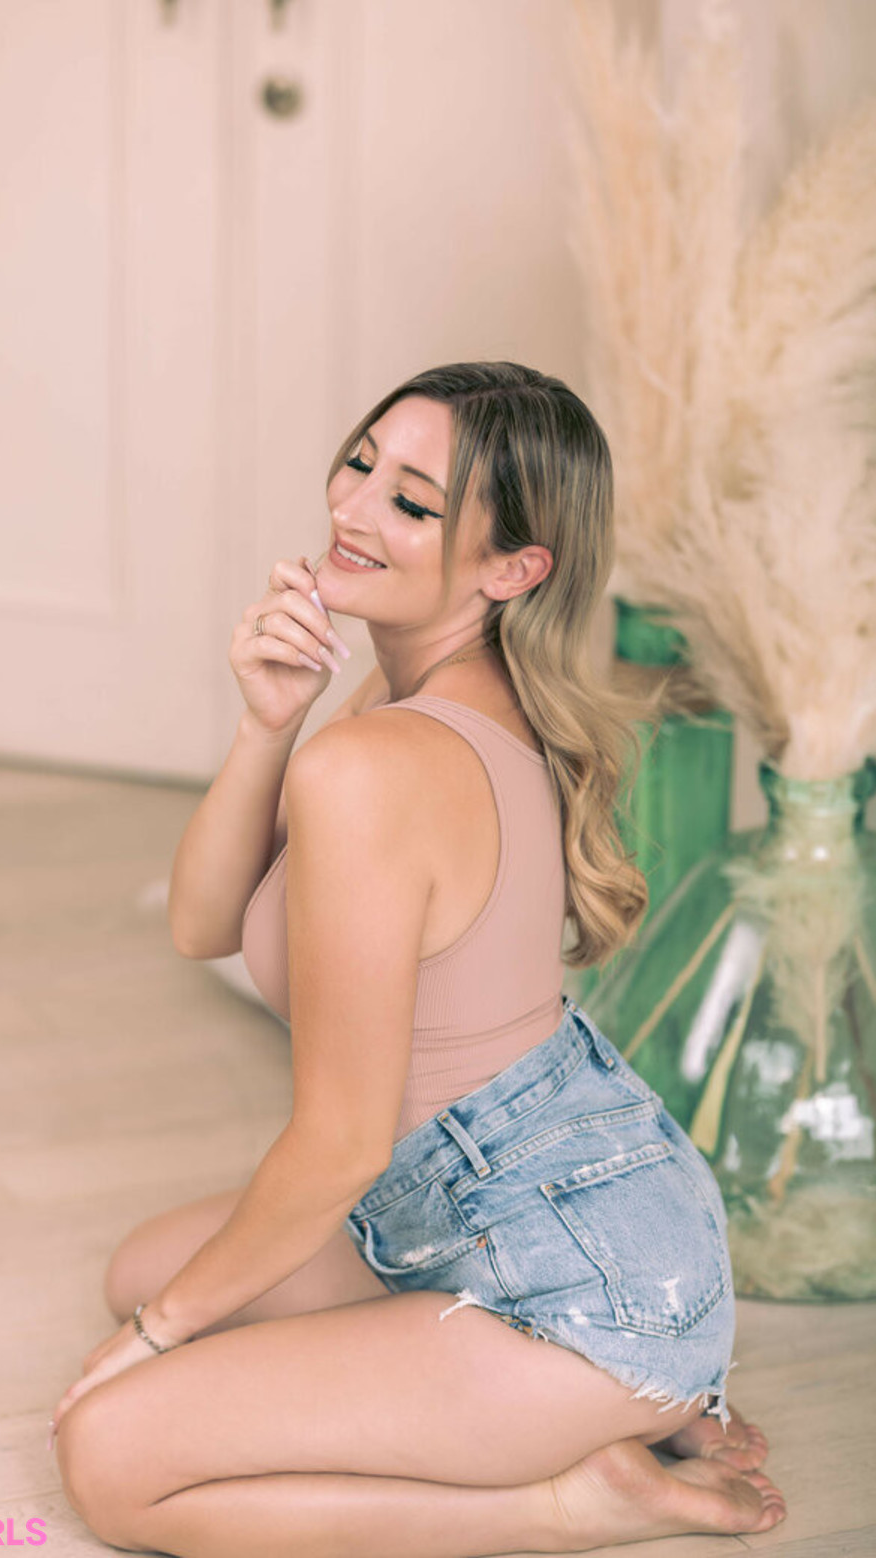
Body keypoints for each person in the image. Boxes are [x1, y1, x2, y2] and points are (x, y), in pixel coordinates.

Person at [49, 362, 786, 1556]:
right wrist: (269, 719)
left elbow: (338, 1143)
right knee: (146, 1265)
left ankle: (574, 1494)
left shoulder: (380, 765)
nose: (351, 508)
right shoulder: (423, 704)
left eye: (411, 502)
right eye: (361, 463)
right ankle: (631, 1400)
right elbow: (202, 926)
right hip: (512, 1199)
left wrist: (153, 1340)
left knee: (111, 1457)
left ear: (513, 569)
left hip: (580, 1284)